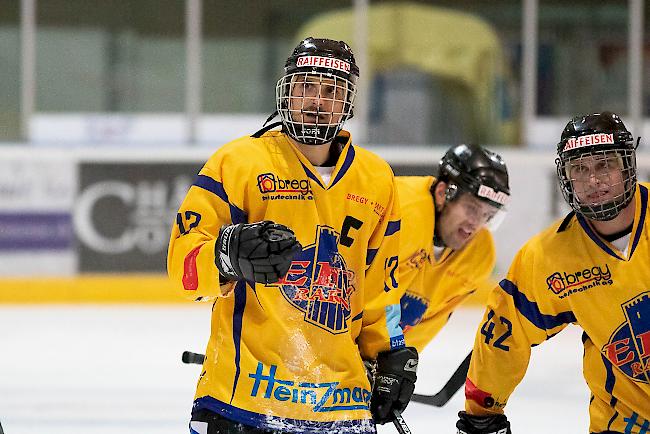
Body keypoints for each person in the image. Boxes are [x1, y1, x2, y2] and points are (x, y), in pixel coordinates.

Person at [167, 37, 418, 434]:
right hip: (240, 398)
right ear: (287, 90)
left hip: (342, 405)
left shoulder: (377, 179)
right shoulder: (238, 162)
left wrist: (391, 352)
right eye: (306, 87)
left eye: (331, 91)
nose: (317, 101)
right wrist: (224, 257)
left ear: (346, 103)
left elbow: (381, 287)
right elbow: (182, 268)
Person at [456, 112, 650, 434]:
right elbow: (505, 333)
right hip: (625, 423)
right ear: (566, 178)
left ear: (627, 165)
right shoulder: (549, 258)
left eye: (604, 164)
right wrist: (482, 414)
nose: (593, 180)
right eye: (580, 169)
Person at [397, 144, 510, 352]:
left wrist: (397, 360)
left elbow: (426, 322)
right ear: (442, 193)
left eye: (488, 215)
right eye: (471, 208)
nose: (475, 223)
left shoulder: (479, 255)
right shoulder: (397, 211)